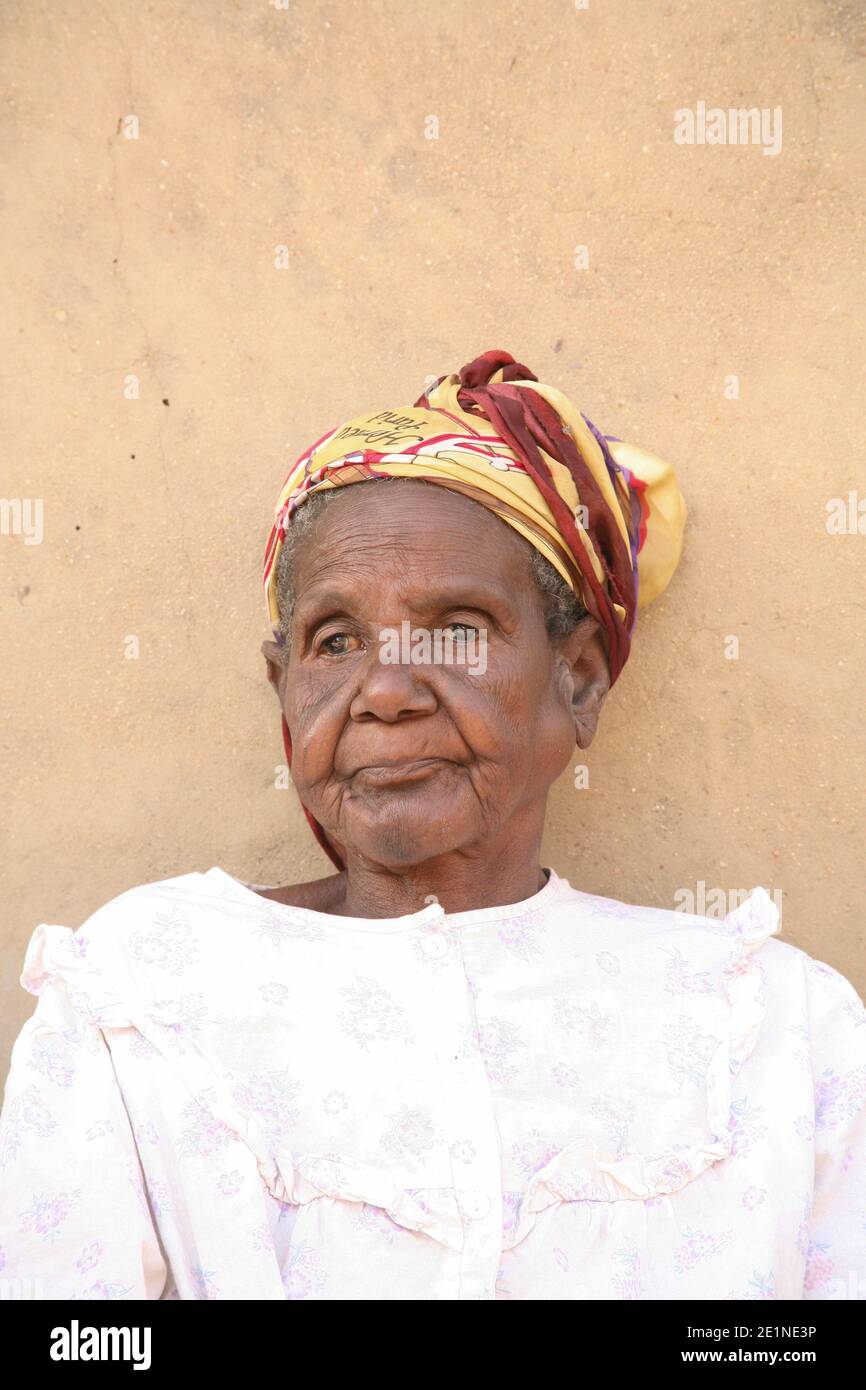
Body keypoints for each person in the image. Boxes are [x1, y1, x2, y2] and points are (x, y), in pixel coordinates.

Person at [1, 350, 863, 1301]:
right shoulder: (141, 994)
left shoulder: (778, 1032)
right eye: (336, 641)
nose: (386, 692)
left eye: (454, 628)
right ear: (284, 692)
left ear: (576, 679)